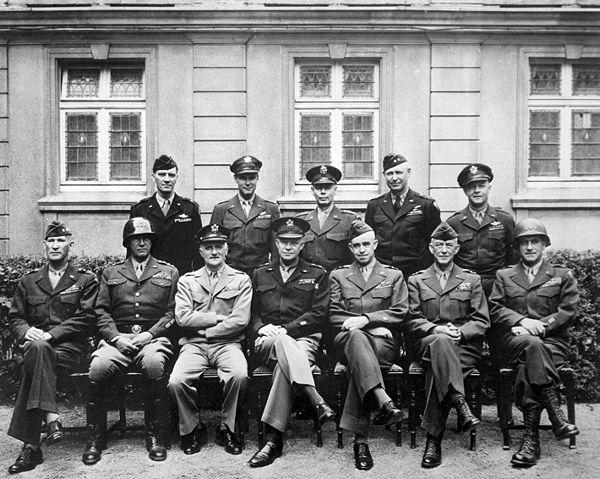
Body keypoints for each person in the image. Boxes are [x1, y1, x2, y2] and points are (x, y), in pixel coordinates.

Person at [328, 220, 432, 470]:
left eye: (366, 244)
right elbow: (333, 314)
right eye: (356, 246)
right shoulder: (338, 275)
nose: (362, 249)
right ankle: (383, 401)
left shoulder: (393, 275)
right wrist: (369, 326)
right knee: (356, 340)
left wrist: (366, 320)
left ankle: (360, 441)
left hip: (384, 344)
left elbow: (400, 312)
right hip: (347, 339)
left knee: (360, 360)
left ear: (375, 245)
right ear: (350, 248)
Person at [82, 217, 179, 465]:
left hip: (153, 338)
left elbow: (172, 313)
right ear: (128, 242)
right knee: (98, 367)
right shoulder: (111, 272)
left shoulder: (168, 271)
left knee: (155, 363)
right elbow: (101, 312)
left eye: (146, 238)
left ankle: (155, 435)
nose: (142, 243)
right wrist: (115, 338)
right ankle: (95, 437)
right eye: (136, 239)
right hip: (118, 339)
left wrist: (150, 335)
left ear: (152, 241)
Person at [7, 222, 99, 474]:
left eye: (61, 241)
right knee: (37, 350)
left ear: (71, 245)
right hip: (37, 348)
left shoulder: (84, 280)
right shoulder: (29, 282)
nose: (56, 246)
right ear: (44, 246)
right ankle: (50, 420)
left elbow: (86, 318)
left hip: (72, 350)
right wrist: (27, 331)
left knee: (37, 353)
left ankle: (31, 444)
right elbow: (15, 317)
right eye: (51, 241)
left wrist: (49, 335)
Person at [489, 218, 579, 468]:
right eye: (524, 242)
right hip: (515, 340)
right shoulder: (504, 275)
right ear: (517, 247)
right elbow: (495, 309)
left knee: (527, 364)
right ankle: (555, 414)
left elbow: (568, 310)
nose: (529, 247)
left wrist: (543, 326)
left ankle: (531, 440)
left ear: (544, 244)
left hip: (553, 343)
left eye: (534, 241)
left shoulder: (560, 275)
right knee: (530, 345)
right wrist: (523, 321)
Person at [247, 217, 335, 468]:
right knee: (282, 346)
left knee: (282, 369)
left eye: (293, 242)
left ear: (302, 245)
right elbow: (251, 312)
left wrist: (286, 330)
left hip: (304, 340)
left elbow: (319, 314)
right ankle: (315, 398)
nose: (288, 246)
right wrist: (261, 327)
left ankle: (273, 440)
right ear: (276, 243)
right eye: (284, 241)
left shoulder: (316, 273)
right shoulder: (260, 273)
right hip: (267, 342)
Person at [407, 221, 489, 468]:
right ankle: (460, 404)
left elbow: (482, 320)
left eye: (448, 245)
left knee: (437, 369)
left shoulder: (471, 280)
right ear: (431, 248)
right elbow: (411, 318)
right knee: (440, 342)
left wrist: (462, 333)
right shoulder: (417, 280)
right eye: (439, 245)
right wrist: (436, 329)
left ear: (456, 248)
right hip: (428, 342)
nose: (443, 249)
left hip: (464, 347)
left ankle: (434, 441)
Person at [168, 224, 251, 456]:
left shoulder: (241, 280)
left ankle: (228, 427)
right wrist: (216, 317)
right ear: (201, 251)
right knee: (177, 381)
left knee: (239, 375)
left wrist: (207, 331)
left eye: (219, 246)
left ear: (227, 250)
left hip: (228, 344)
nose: (214, 252)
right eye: (208, 247)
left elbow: (241, 320)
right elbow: (182, 317)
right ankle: (192, 428)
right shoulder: (188, 280)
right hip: (194, 346)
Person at [365, 153, 440, 278]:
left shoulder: (425, 205)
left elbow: (434, 242)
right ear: (384, 176)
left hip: (415, 275)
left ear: (408, 173)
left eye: (398, 172)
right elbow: (369, 241)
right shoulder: (375, 205)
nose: (394, 178)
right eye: (389, 174)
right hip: (382, 275)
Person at [447, 163, 515, 297]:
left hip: (497, 284)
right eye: (471, 187)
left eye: (481, 186)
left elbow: (513, 255)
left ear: (489, 188)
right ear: (465, 191)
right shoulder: (453, 223)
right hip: (464, 285)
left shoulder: (504, 219)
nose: (477, 190)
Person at [130, 154, 202, 274]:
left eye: (171, 175)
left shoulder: (190, 209)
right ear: (153, 177)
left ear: (176, 178)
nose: (167, 179)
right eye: (162, 174)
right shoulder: (140, 209)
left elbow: (197, 250)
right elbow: (132, 249)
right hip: (150, 277)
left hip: (181, 276)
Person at [210, 155, 281, 276]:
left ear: (257, 178)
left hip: (261, 273)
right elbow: (213, 246)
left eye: (252, 178)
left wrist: (273, 275)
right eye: (243, 178)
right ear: (236, 179)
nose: (248, 183)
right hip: (230, 273)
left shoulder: (270, 209)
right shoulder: (222, 209)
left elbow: (276, 249)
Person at [297, 165, 360, 272]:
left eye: (327, 187)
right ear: (312, 191)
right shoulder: (302, 221)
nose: (323, 192)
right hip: (308, 282)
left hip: (337, 281)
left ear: (335, 190)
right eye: (318, 188)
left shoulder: (349, 220)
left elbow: (356, 258)